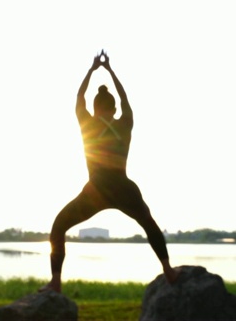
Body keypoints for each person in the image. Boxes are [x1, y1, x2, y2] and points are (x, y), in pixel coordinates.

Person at [40, 50, 179, 293]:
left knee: (58, 226)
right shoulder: (124, 123)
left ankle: (55, 282)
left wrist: (92, 70)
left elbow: (79, 97)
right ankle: (168, 270)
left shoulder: (88, 124)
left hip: (95, 191)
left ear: (95, 108)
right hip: (124, 188)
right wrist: (111, 71)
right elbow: (125, 98)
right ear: (114, 108)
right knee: (149, 224)